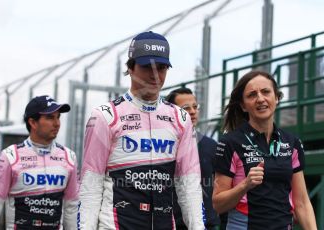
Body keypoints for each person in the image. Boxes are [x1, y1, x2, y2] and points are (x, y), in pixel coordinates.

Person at [79, 31, 204, 229]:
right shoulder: (105, 115)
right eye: (147, 67)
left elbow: (189, 184)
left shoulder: (180, 118)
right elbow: (90, 185)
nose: (155, 75)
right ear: (130, 68)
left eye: (162, 68)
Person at [213, 70, 317, 230]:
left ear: (276, 98)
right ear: (243, 106)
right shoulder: (230, 143)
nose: (260, 99)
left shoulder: (292, 143)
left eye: (266, 92)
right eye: (252, 95)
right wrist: (245, 185)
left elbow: (301, 202)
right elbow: (218, 205)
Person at [0, 95, 79, 229]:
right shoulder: (10, 156)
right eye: (50, 117)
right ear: (33, 122)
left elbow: (72, 208)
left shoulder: (69, 157)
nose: (57, 123)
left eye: (58, 117)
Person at [165, 87, 221, 230]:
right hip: (170, 223)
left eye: (195, 107)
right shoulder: (162, 146)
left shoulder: (211, 146)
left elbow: (220, 187)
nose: (192, 111)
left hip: (207, 224)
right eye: (186, 108)